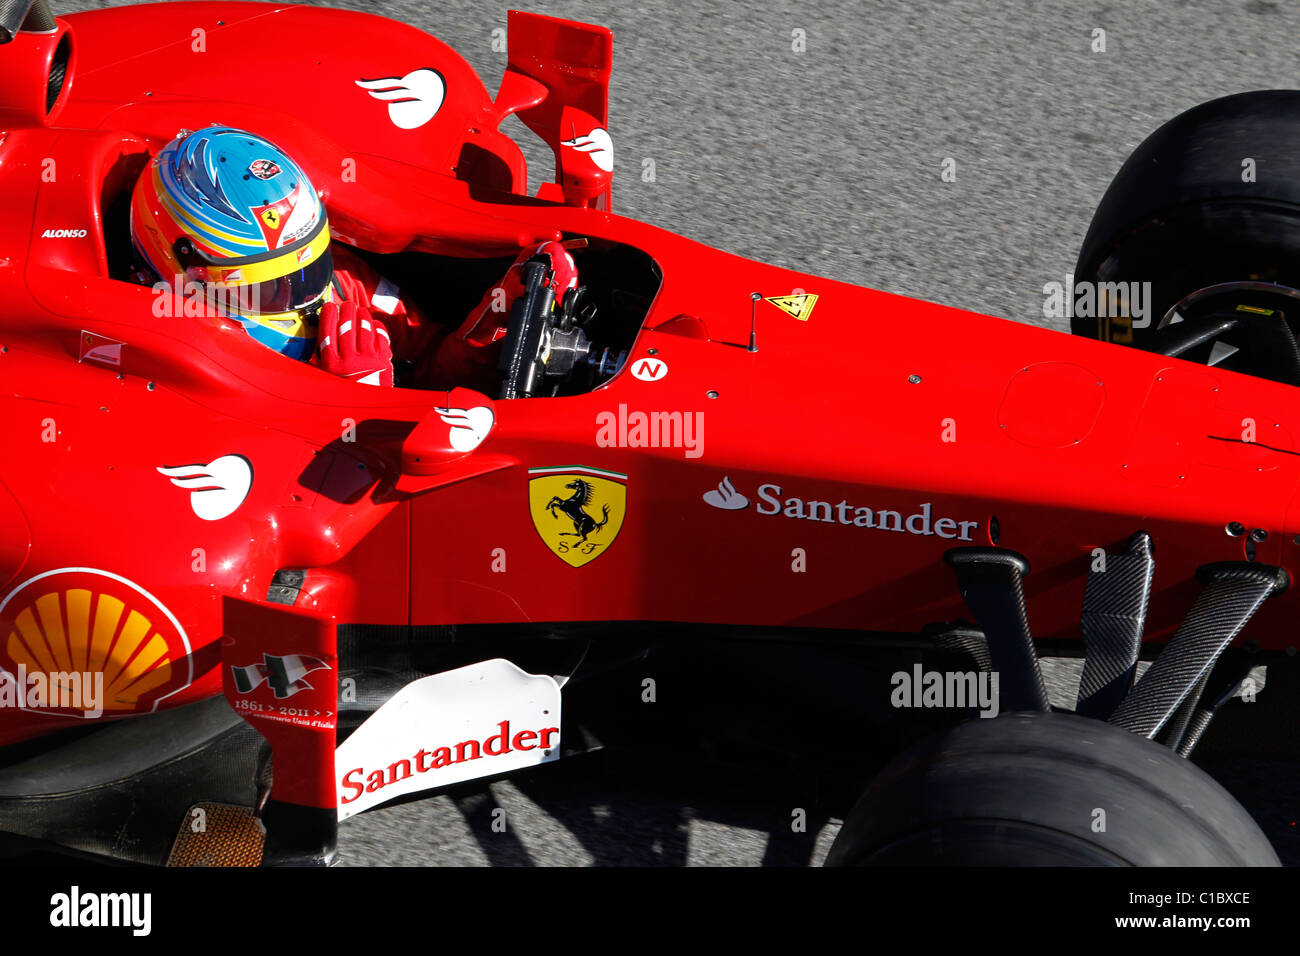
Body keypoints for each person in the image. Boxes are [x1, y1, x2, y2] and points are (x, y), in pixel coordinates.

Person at [129, 125, 577, 390]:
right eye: (269, 284)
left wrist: (498, 315)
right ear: (187, 273)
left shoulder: (338, 279)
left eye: (309, 265)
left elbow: (428, 361)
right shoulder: (170, 349)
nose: (304, 295)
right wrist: (360, 401)